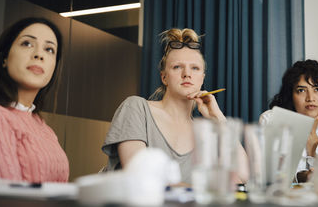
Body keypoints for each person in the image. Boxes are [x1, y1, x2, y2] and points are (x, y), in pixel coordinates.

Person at [102, 28, 248, 184]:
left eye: (195, 68)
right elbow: (140, 177)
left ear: (202, 78)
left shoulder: (204, 133)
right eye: (177, 67)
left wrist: (218, 120)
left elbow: (244, 178)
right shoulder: (136, 108)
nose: (187, 74)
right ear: (164, 77)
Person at [0, 17, 69, 183]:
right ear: (4, 58)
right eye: (27, 43)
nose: (39, 55)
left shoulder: (44, 128)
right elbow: (7, 198)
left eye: (49, 49)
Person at [259, 60, 318, 182]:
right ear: (291, 95)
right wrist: (300, 177)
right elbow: (267, 175)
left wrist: (313, 147)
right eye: (301, 90)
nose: (310, 98)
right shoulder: (271, 119)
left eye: (317, 89)